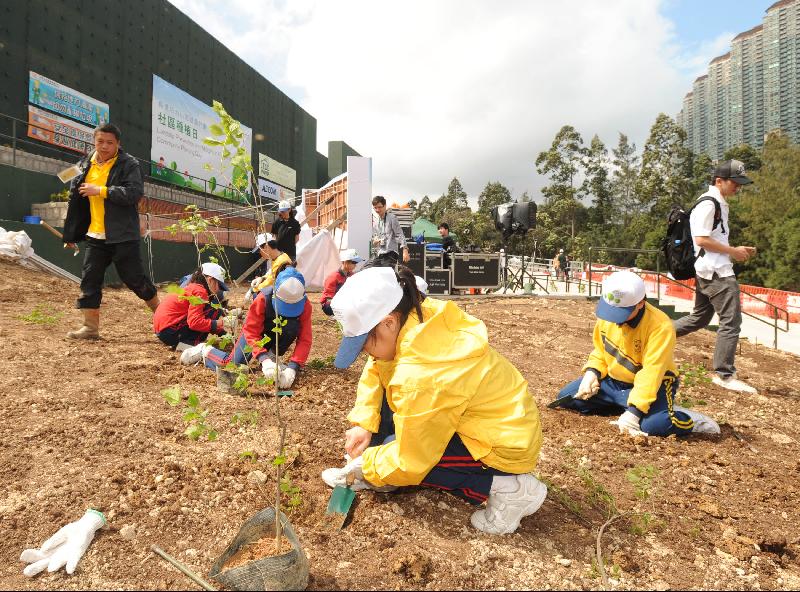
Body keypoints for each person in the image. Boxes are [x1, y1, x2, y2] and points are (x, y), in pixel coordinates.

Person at [321, 266, 546, 535]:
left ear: (389, 322)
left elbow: (412, 459)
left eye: (364, 343)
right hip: (500, 417)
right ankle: (381, 466)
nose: (365, 352)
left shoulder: (422, 374)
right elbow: (377, 365)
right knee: (391, 444)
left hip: (502, 444)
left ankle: (512, 488)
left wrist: (367, 467)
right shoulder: (417, 316)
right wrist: (364, 422)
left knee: (412, 458)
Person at [551, 271, 719, 437]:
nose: (615, 319)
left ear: (640, 303)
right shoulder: (610, 313)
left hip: (655, 384)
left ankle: (684, 418)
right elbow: (601, 350)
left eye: (620, 313)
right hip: (614, 381)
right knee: (568, 398)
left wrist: (634, 414)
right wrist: (592, 373)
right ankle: (626, 404)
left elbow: (651, 374)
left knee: (655, 426)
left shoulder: (660, 327)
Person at [62, 123, 159, 340]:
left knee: (135, 280)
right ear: (94, 141)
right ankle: (90, 328)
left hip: (122, 235)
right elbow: (73, 195)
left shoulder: (129, 164)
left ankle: (163, 318)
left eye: (109, 142)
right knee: (89, 280)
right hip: (96, 235)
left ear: (118, 144)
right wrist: (70, 234)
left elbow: (134, 193)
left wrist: (101, 190)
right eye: (100, 141)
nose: (104, 146)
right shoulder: (85, 163)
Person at [673, 160, 758, 394]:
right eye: (735, 182)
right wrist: (734, 252)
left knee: (698, 319)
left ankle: (655, 334)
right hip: (717, 272)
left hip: (710, 268)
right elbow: (701, 239)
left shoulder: (718, 203)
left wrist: (736, 249)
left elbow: (713, 238)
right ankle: (725, 374)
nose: (738, 187)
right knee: (731, 322)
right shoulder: (709, 204)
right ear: (719, 181)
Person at [182, 267, 312, 391]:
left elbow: (305, 339)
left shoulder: (305, 305)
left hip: (274, 334)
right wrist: (263, 359)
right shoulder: (263, 298)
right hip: (255, 333)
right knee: (232, 365)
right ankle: (204, 351)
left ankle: (272, 356)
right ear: (275, 292)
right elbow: (251, 331)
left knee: (291, 326)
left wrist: (293, 368)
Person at [153, 262, 237, 348]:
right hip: (171, 330)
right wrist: (223, 322)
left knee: (210, 308)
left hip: (163, 330)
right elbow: (195, 322)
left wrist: (224, 334)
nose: (219, 290)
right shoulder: (200, 291)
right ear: (210, 280)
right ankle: (189, 345)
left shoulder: (192, 287)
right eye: (219, 285)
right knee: (214, 308)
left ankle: (182, 343)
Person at [367, 196, 410, 267]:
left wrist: (405, 250)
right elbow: (374, 239)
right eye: (375, 207)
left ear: (385, 206)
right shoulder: (375, 222)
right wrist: (375, 241)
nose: (377, 209)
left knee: (387, 273)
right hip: (380, 253)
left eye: (380, 207)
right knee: (373, 269)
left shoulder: (392, 218)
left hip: (391, 252)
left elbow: (399, 234)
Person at [320, 249, 363, 316]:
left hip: (344, 301)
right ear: (345, 262)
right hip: (330, 304)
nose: (355, 265)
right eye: (354, 262)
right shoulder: (333, 277)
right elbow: (329, 298)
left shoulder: (352, 275)